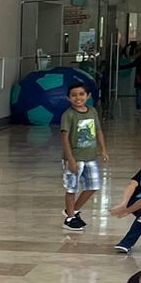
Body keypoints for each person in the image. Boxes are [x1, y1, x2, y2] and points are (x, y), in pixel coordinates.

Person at [61, 83, 107, 231]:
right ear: (69, 98)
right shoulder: (68, 115)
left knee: (93, 186)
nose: (78, 97)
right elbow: (64, 138)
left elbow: (98, 131)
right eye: (74, 95)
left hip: (90, 157)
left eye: (81, 94)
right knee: (71, 188)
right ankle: (69, 218)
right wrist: (71, 159)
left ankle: (72, 210)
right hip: (75, 157)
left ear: (88, 96)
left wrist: (103, 149)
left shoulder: (92, 111)